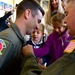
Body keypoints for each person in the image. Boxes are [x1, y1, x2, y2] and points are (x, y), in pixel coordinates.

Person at [20, 0, 75, 75]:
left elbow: (66, 59)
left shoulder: (72, 40)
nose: (56, 30)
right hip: (53, 66)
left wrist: (30, 54)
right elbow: (45, 50)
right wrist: (32, 51)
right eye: (54, 27)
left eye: (67, 14)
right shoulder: (52, 37)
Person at [0, 0, 44, 75]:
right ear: (27, 13)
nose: (37, 26)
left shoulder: (20, 40)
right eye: (38, 21)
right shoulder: (8, 40)